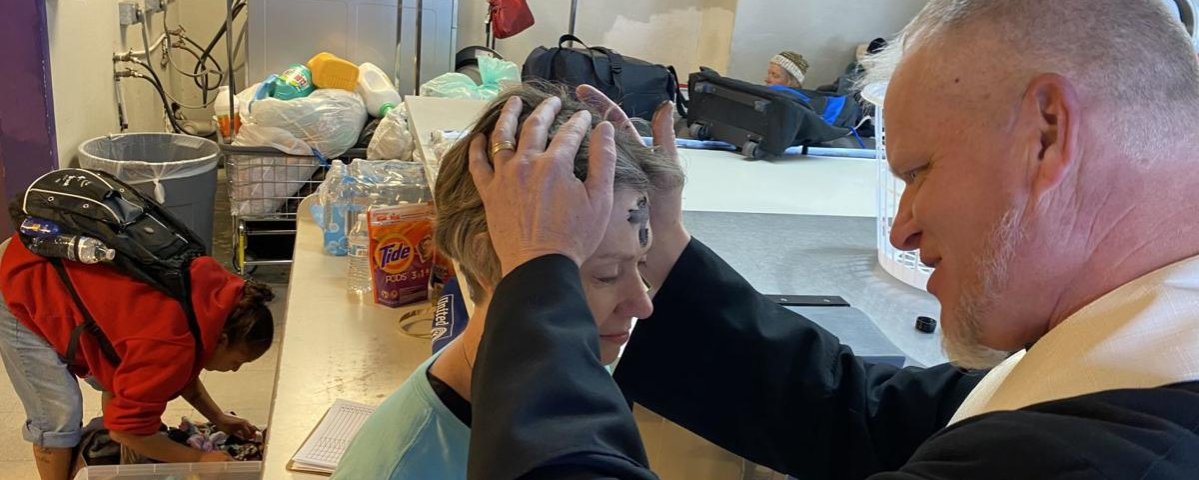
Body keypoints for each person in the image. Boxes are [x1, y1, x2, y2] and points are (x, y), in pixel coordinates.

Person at [459, 0, 1199, 478]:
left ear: (1047, 136)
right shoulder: (1132, 359)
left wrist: (542, 274)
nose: (903, 226)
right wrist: (664, 251)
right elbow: (862, 417)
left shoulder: (1121, 456)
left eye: (919, 170)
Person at [330, 84, 683, 480]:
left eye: (642, 263)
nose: (642, 304)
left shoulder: (570, 364)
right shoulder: (408, 468)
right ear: (489, 260)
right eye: (606, 274)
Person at [0, 237, 274, 480]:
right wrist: (200, 459)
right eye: (238, 361)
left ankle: (114, 466)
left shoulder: (219, 299)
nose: (235, 370)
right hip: (21, 277)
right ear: (223, 340)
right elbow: (126, 430)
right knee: (59, 416)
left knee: (117, 383)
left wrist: (217, 417)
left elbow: (181, 368)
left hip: (62, 266)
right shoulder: (169, 340)